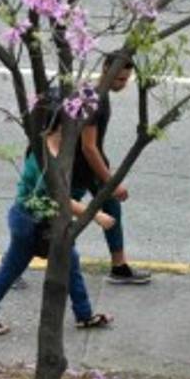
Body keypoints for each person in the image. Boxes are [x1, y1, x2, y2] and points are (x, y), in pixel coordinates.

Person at [0, 115, 115, 335]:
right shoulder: (47, 160)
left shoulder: (50, 150)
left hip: (30, 219)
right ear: (58, 127)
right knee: (15, 269)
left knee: (65, 263)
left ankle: (84, 315)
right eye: (73, 124)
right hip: (30, 223)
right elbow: (59, 198)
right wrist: (96, 216)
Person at [73, 51, 151, 284]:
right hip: (76, 169)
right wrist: (110, 181)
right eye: (119, 79)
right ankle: (12, 260)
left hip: (91, 167)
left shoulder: (96, 93)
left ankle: (119, 266)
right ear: (106, 68)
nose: (122, 84)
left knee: (112, 207)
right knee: (47, 213)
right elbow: (88, 147)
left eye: (126, 80)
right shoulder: (93, 99)